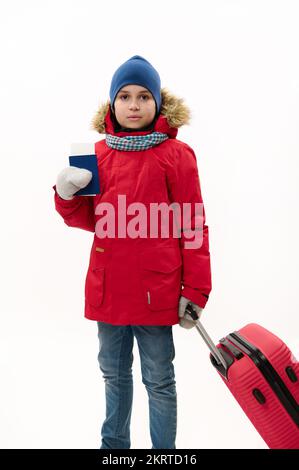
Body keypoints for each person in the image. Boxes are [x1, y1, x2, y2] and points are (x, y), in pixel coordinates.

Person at [53, 55, 212, 449]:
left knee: (158, 377)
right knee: (113, 373)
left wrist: (194, 290)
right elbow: (91, 220)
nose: (134, 105)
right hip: (109, 291)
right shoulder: (96, 154)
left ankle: (163, 453)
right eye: (124, 96)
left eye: (144, 96)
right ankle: (114, 449)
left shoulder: (177, 157)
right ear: (112, 105)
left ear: (159, 102)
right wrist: (66, 195)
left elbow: (192, 227)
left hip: (156, 293)